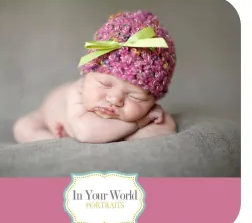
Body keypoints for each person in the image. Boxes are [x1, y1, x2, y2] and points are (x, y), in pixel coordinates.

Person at [13, 10, 177, 143]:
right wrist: (137, 124)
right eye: (104, 84)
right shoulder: (77, 92)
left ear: (153, 100)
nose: (115, 99)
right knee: (23, 128)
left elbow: (167, 129)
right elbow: (87, 133)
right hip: (47, 117)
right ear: (87, 75)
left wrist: (127, 133)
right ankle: (56, 142)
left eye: (134, 96)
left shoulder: (150, 111)